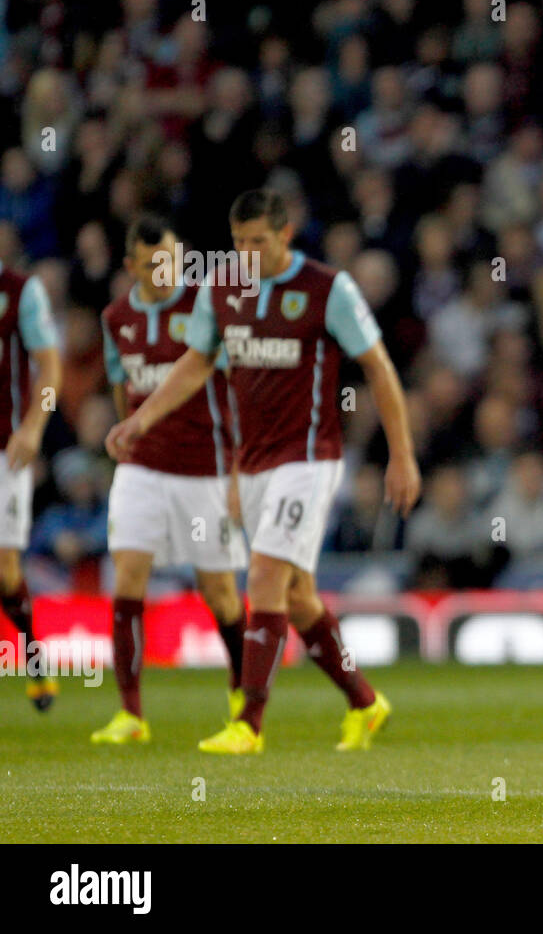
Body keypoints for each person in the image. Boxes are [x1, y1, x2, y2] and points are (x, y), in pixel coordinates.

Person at [106, 189, 420, 754]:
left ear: (285, 235)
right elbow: (196, 362)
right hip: (251, 464)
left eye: (258, 241)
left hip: (307, 459)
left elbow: (378, 366)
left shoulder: (327, 289)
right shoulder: (222, 288)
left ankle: (248, 722)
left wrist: (401, 455)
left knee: (265, 577)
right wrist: (140, 420)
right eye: (239, 242)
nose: (247, 252)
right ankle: (366, 702)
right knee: (298, 597)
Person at [90, 213, 248, 745]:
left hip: (205, 467)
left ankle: (243, 699)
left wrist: (240, 467)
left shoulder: (207, 306)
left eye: (174, 259)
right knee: (128, 575)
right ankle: (131, 713)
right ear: (132, 265)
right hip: (142, 468)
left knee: (220, 592)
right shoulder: (116, 319)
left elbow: (239, 386)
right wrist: (129, 437)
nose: (167, 270)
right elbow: (122, 392)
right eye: (155, 263)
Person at [0, 254, 61, 710]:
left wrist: (34, 427)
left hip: (8, 451)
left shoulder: (22, 292)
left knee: (5, 570)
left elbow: (49, 368)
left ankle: (34, 658)